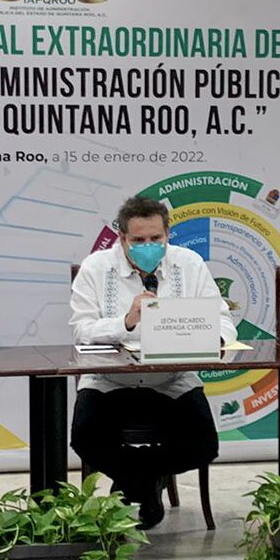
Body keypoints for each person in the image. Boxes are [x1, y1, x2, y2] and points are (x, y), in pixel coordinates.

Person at [69, 196, 236, 528]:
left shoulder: (189, 264)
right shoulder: (95, 267)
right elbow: (81, 331)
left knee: (204, 443)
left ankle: (136, 481)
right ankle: (148, 484)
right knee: (85, 437)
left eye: (155, 239)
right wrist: (126, 321)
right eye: (139, 240)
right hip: (110, 380)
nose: (148, 246)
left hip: (171, 381)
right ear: (122, 238)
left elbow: (224, 323)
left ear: (167, 234)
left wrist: (208, 336)